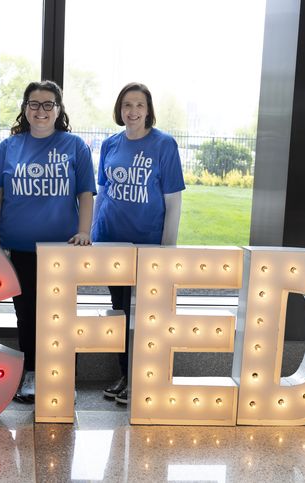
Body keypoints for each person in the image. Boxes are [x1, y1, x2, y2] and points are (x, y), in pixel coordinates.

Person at [0, 80, 96, 402]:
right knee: (27, 314)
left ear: (58, 110)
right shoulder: (8, 147)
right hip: (22, 249)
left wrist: (85, 232)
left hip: (63, 251)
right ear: (25, 109)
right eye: (34, 104)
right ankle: (30, 373)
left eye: (47, 104)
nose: (40, 111)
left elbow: (86, 194)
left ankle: (61, 377)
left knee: (62, 316)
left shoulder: (75, 146)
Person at [91, 82, 185, 405]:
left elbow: (173, 202)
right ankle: (125, 376)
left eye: (139, 105)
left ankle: (141, 379)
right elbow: (102, 194)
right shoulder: (109, 145)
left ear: (149, 110)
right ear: (120, 109)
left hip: (148, 246)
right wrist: (91, 234)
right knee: (119, 314)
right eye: (127, 105)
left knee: (146, 316)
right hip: (111, 240)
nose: (132, 111)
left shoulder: (164, 146)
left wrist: (167, 249)